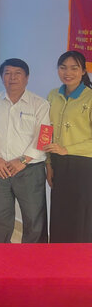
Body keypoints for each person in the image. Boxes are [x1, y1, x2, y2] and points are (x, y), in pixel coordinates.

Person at [0, 58, 49, 243]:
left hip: (29, 170)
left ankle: (31, 264)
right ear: (2, 77)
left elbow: (43, 137)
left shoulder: (40, 104)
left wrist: (22, 161)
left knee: (33, 219)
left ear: (27, 78)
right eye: (7, 73)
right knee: (0, 220)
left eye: (17, 73)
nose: (12, 78)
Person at [45, 50, 92, 243]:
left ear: (83, 71)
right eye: (63, 67)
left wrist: (67, 149)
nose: (68, 72)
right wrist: (48, 164)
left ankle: (80, 264)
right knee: (59, 215)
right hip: (58, 163)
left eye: (74, 68)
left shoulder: (89, 97)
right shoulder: (53, 95)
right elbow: (46, 132)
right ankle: (58, 262)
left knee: (80, 217)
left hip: (84, 165)